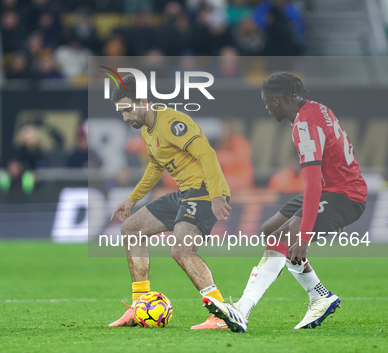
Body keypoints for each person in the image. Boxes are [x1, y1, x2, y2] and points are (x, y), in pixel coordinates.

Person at [203, 72, 367, 332]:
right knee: (269, 230)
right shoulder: (316, 110)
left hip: (343, 194)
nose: (266, 107)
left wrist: (305, 234)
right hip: (333, 190)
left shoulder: (304, 126)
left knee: (285, 238)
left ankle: (242, 310)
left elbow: (312, 185)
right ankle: (319, 295)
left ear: (277, 100)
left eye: (267, 102)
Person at [108, 74, 232, 330]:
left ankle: (221, 313)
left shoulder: (172, 122)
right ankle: (139, 305)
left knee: (180, 250)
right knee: (131, 229)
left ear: (143, 101)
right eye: (121, 112)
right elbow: (156, 167)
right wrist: (131, 199)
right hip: (186, 193)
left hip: (205, 191)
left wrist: (217, 195)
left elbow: (206, 154)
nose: (125, 118)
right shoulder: (146, 131)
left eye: (128, 110)